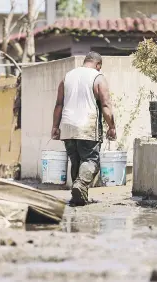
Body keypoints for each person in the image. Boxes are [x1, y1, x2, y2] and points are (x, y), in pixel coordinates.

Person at [51, 51, 116, 206]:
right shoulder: (98, 77)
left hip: (67, 126)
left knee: (76, 161)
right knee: (91, 160)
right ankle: (80, 186)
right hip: (87, 126)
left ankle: (79, 197)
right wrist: (112, 127)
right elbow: (106, 105)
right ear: (98, 64)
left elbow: (59, 104)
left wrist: (55, 126)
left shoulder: (67, 76)